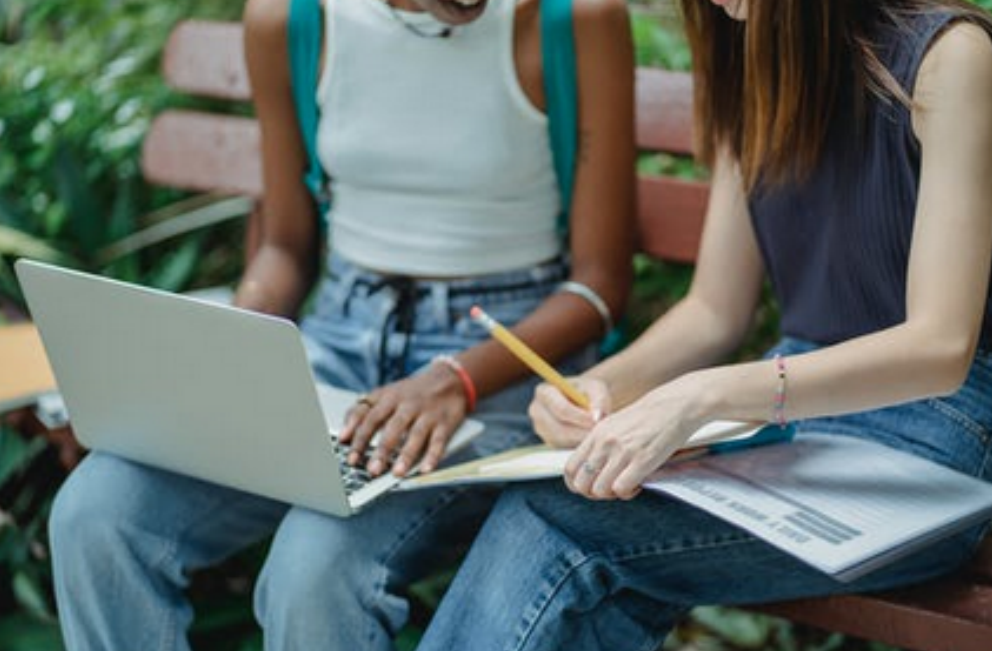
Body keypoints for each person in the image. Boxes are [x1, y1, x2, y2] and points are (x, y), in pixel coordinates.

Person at [46, 0, 635, 649]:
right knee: (96, 515)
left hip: (501, 365)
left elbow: (600, 285)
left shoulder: (570, 19)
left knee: (314, 569)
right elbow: (286, 247)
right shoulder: (290, 21)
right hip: (333, 351)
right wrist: (235, 342)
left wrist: (455, 380)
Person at [415, 0, 992, 649]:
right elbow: (713, 310)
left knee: (554, 524)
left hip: (931, 438)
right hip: (789, 431)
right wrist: (591, 388)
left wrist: (701, 394)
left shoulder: (949, 57)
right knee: (584, 522)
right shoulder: (747, 59)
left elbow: (940, 346)